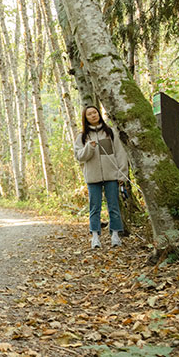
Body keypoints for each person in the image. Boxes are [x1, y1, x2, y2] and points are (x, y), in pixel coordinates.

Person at [73, 105, 128, 249]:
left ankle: (115, 235)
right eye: (89, 114)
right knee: (94, 207)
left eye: (95, 112)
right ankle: (95, 237)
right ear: (85, 118)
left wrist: (122, 173)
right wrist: (89, 147)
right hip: (92, 177)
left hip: (112, 176)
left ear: (99, 114)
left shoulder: (110, 132)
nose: (93, 115)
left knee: (114, 206)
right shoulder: (82, 136)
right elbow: (79, 157)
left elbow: (120, 154)